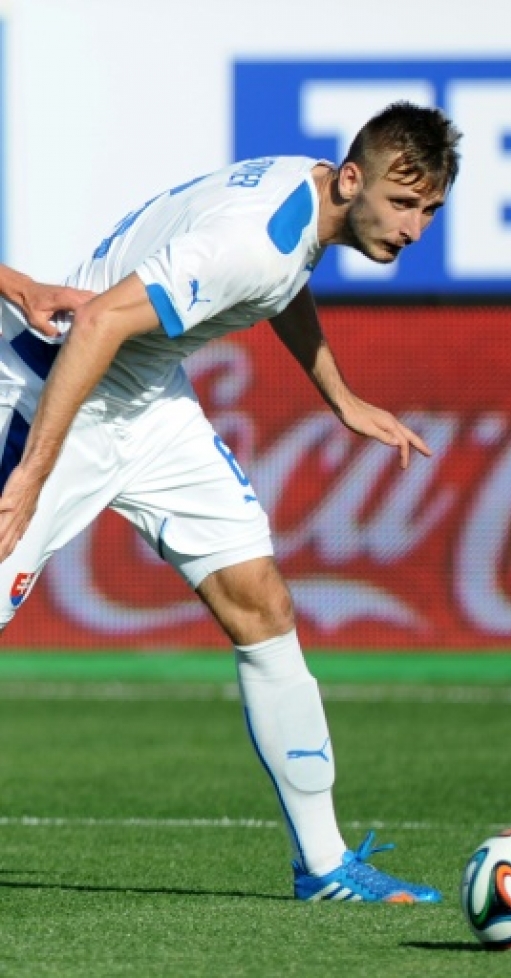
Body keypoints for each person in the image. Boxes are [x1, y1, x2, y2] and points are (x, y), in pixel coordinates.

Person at [0, 101, 461, 903]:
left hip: (146, 404)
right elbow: (103, 321)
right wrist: (34, 472)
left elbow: (283, 284)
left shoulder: (306, 198)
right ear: (352, 179)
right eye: (402, 202)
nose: (414, 227)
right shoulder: (252, 239)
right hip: (57, 396)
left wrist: (339, 396)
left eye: (429, 210)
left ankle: (325, 869)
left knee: (262, 604)